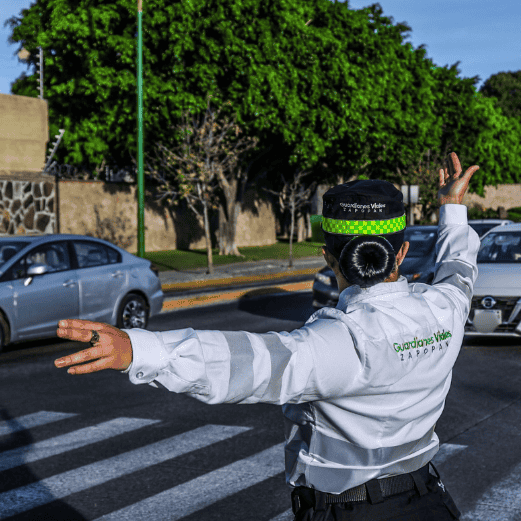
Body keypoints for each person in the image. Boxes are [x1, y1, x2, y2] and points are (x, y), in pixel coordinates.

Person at [53, 152, 481, 520]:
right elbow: (459, 268)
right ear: (402, 251)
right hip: (430, 504)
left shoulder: (343, 341)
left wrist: (138, 349)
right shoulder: (443, 310)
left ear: (328, 257)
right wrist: (451, 207)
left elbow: (249, 362)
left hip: (351, 513)